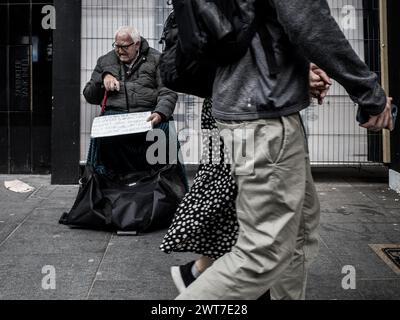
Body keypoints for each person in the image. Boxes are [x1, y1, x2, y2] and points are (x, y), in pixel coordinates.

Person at [175, 0, 393, 300]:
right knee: (262, 254)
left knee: (299, 233)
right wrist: (369, 92)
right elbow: (310, 24)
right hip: (263, 118)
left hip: (259, 109)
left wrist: (300, 69)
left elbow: (264, 33)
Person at [161, 63, 332, 295]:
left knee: (234, 191)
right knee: (235, 193)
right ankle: (201, 272)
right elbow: (248, 55)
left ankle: (202, 270)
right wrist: (293, 74)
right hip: (243, 109)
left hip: (237, 106)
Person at [83, 26, 187, 188]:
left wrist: (160, 113)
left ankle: (168, 187)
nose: (119, 51)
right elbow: (89, 95)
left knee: (164, 131)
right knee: (100, 135)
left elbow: (168, 91)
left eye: (125, 46)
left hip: (148, 115)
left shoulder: (156, 59)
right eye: (116, 46)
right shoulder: (105, 61)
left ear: (137, 45)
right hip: (116, 116)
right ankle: (103, 186)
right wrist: (102, 79)